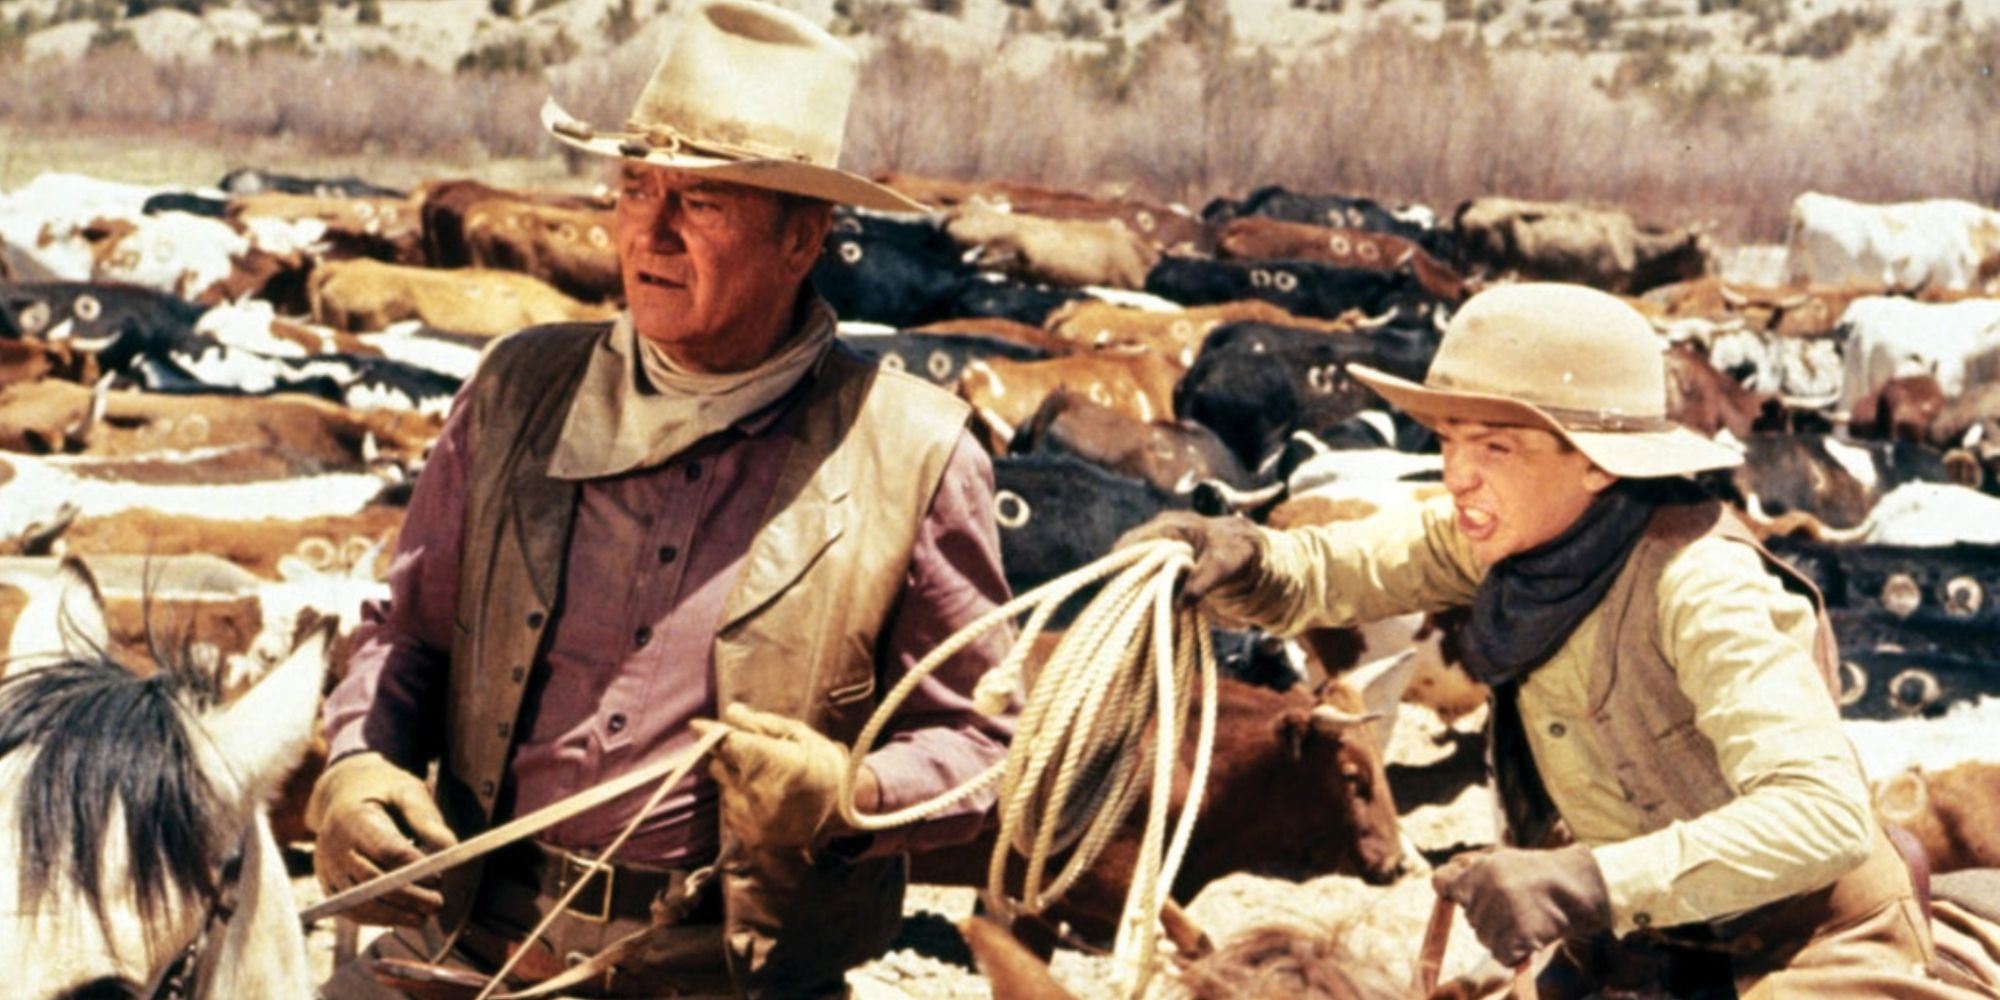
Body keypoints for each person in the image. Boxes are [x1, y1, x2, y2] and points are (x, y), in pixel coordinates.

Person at [309, 3, 1014, 996]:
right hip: (472, 944)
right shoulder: (514, 390)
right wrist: (357, 766)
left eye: (704, 203)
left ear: (801, 237)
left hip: (727, 971)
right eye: (635, 187)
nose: (651, 230)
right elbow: (406, 634)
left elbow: (982, 743)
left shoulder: (913, 450)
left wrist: (848, 795)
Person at [1126, 282, 1978, 997]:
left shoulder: (1702, 587)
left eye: (1496, 443)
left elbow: (1820, 815)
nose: (1458, 472)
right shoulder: (1519, 536)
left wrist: (1585, 880)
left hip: (1801, 942)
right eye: (1451, 439)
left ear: (1599, 462)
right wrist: (1239, 555)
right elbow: (1337, 568)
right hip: (1640, 938)